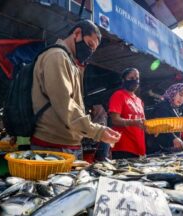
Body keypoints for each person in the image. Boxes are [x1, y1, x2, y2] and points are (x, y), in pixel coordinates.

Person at [30, 20, 120, 159]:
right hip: (52, 146)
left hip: (68, 144)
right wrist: (97, 131)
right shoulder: (57, 56)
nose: (89, 51)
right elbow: (65, 104)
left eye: (93, 50)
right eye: (89, 45)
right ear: (77, 33)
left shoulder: (71, 62)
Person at [108, 68, 145, 159]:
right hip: (124, 148)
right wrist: (134, 122)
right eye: (131, 78)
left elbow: (143, 123)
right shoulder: (118, 95)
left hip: (140, 149)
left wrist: (153, 129)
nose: (134, 80)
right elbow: (115, 120)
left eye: (137, 78)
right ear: (124, 80)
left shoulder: (139, 101)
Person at [148, 83, 183, 153]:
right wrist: (174, 138)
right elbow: (163, 124)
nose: (182, 99)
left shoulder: (173, 108)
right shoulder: (163, 105)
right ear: (174, 92)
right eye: (180, 94)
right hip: (160, 149)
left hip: (170, 148)